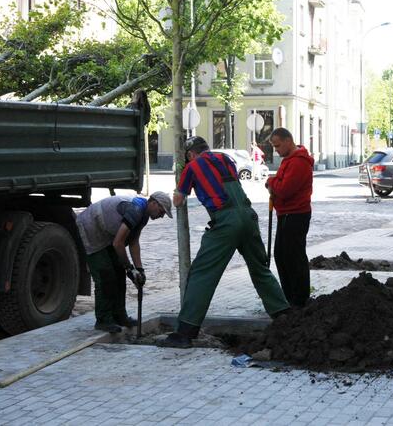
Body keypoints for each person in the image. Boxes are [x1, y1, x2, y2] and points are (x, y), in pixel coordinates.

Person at [159, 136, 291, 348]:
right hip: (248, 217)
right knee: (260, 269)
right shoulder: (225, 158)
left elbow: (179, 200)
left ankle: (185, 332)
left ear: (190, 155)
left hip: (225, 222)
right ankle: (284, 315)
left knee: (202, 274)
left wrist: (180, 182)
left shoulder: (192, 167)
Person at [76, 191, 173, 333]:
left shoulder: (143, 215)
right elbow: (118, 243)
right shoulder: (136, 210)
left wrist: (139, 269)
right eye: (162, 210)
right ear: (153, 203)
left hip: (106, 233)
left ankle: (119, 316)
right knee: (105, 275)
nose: (162, 215)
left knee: (119, 273)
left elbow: (133, 242)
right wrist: (129, 268)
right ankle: (103, 320)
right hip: (91, 228)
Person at [266, 128, 314, 307]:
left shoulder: (298, 162)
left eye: (278, 146)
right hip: (286, 213)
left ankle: (298, 298)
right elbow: (280, 183)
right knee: (282, 254)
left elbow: (284, 190)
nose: (276, 150)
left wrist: (271, 182)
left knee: (293, 256)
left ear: (288, 141)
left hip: (295, 214)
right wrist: (274, 182)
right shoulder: (289, 161)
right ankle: (291, 296)